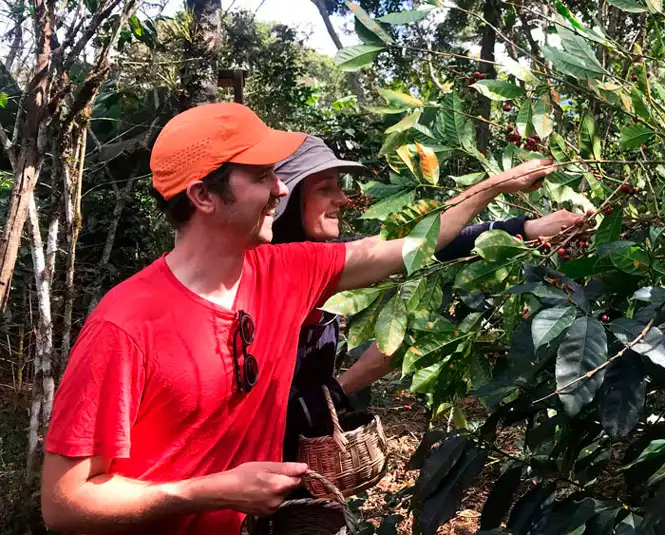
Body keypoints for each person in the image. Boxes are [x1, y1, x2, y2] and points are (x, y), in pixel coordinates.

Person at [40, 102, 556, 535]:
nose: (281, 190)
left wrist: (494, 189)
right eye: (262, 176)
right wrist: (205, 492)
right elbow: (64, 504)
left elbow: (408, 248)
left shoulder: (285, 270)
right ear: (203, 196)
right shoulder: (126, 325)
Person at [269, 135, 584, 460]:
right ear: (287, 198)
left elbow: (426, 244)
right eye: (325, 189)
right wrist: (355, 379)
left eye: (339, 186)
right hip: (258, 466)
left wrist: (525, 228)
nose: (343, 199)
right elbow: (419, 243)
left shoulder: (315, 260)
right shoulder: (278, 270)